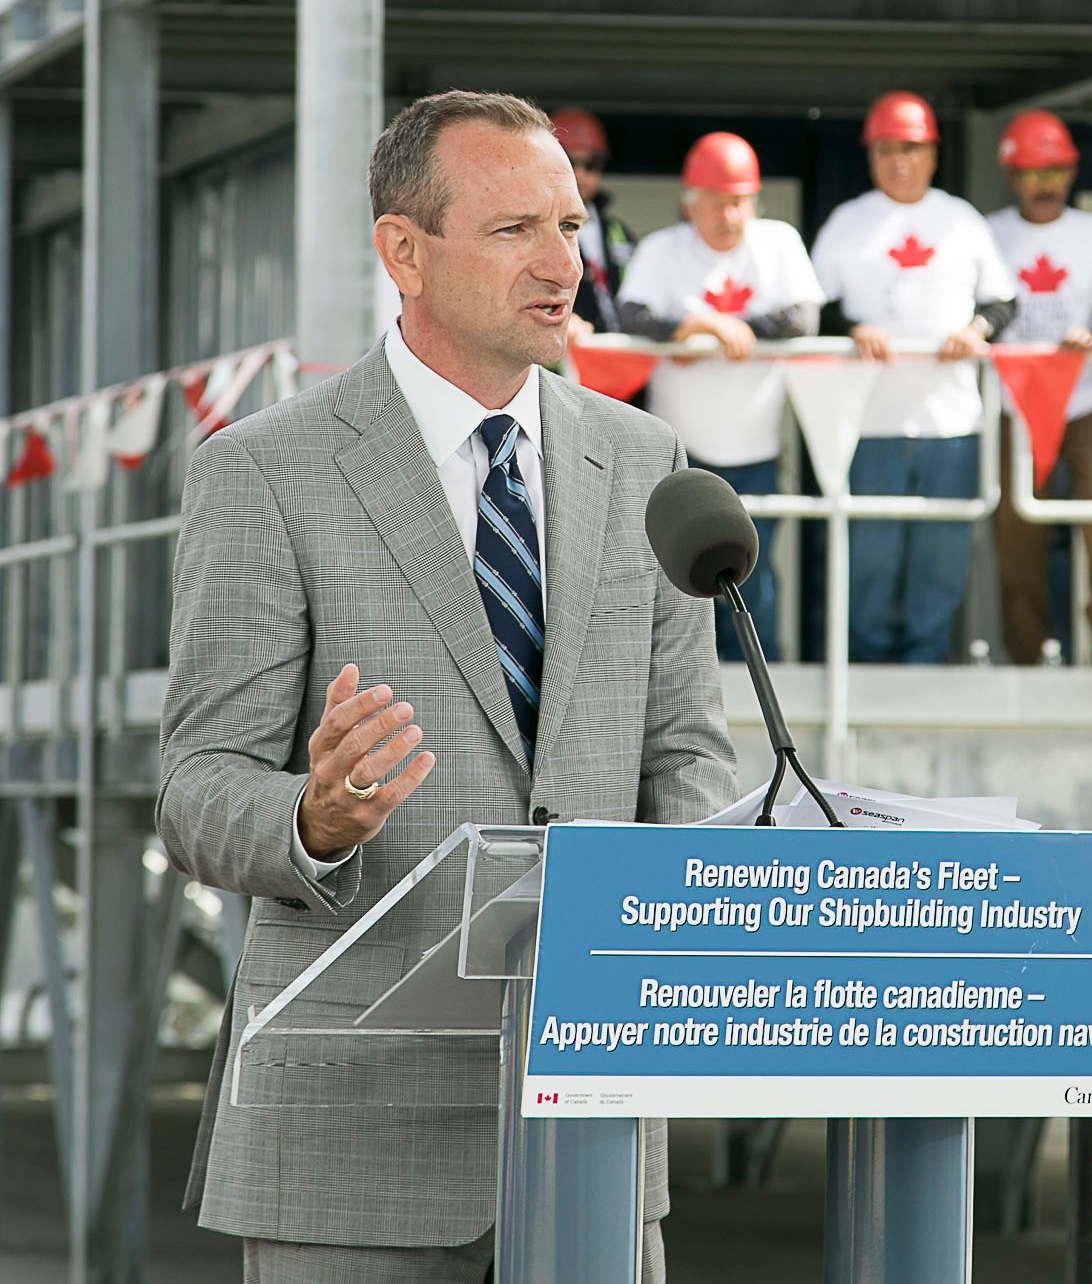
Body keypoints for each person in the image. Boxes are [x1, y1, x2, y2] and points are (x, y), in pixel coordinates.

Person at [156, 90, 738, 1284]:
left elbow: (686, 757)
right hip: (348, 1145)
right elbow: (196, 789)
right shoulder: (266, 472)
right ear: (402, 251)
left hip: (592, 1125)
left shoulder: (647, 463)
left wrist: (694, 915)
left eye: (571, 227)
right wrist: (310, 819)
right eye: (515, 229)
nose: (560, 262)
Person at [811, 91, 1017, 665]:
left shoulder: (961, 220)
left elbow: (1004, 301)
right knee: (870, 560)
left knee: (941, 561)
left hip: (949, 424)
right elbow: (815, 306)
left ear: (932, 153)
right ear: (870, 156)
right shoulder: (849, 223)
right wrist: (855, 327)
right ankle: (865, 676)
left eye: (910, 148)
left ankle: (924, 669)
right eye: (885, 150)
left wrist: (977, 329)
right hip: (869, 423)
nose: (898, 160)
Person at [617, 131, 824, 661]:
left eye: (739, 203)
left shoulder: (776, 242)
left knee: (752, 584)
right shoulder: (664, 248)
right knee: (675, 586)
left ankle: (761, 688)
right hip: (678, 455)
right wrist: (694, 326)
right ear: (692, 203)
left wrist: (730, 330)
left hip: (754, 449)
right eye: (718, 203)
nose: (729, 217)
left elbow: (802, 316)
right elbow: (632, 314)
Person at [986, 110, 1092, 668]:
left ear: (1072, 173)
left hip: (1086, 399)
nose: (1044, 185)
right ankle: (1028, 652)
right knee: (1015, 527)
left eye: (1054, 171)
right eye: (1031, 173)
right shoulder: (989, 233)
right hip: (1011, 402)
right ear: (1012, 176)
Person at [549, 106, 636, 339]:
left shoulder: (618, 232)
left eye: (592, 164)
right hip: (561, 364)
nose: (580, 174)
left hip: (617, 361)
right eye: (569, 161)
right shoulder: (525, 229)